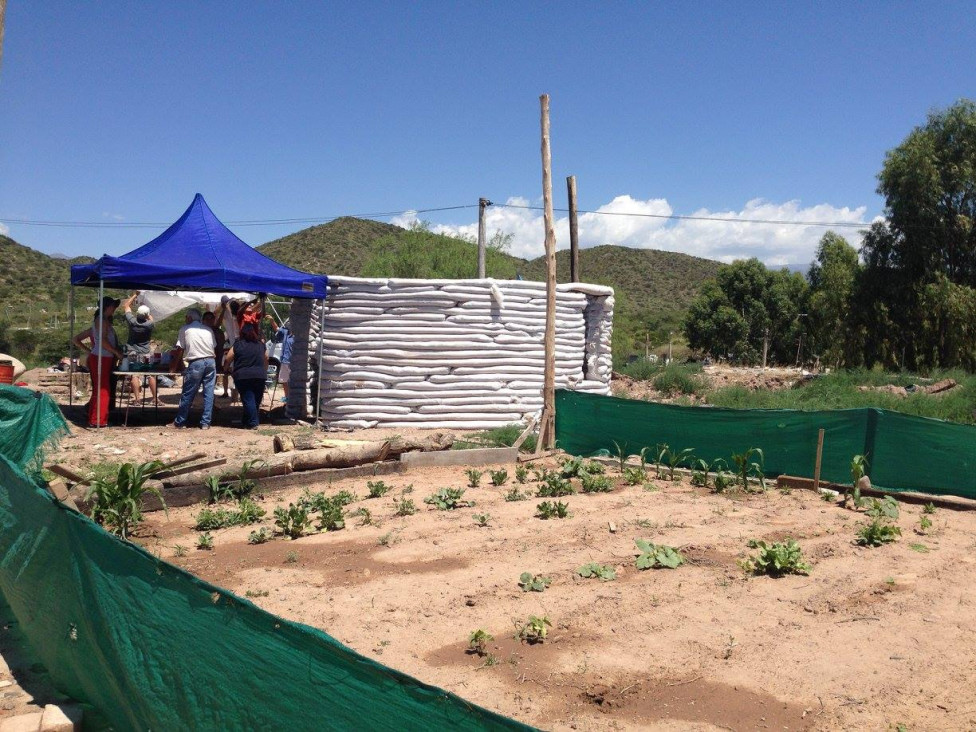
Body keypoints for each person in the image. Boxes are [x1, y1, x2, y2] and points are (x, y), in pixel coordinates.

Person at [71, 296, 123, 428]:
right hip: (102, 357)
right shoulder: (101, 321)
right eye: (113, 306)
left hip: (100, 356)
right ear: (107, 307)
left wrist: (90, 351)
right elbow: (103, 341)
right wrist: (116, 352)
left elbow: (77, 339)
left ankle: (95, 418)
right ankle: (98, 420)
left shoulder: (101, 321)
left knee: (100, 389)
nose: (114, 309)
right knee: (103, 389)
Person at [169, 308, 217, 430]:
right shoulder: (208, 329)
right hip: (211, 361)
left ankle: (180, 421)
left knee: (188, 393)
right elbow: (214, 346)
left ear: (189, 318)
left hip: (196, 362)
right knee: (209, 393)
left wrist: (173, 368)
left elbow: (180, 350)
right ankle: (206, 422)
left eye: (186, 317)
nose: (185, 319)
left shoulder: (185, 329)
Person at [223, 322, 268, 429]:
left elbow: (228, 358)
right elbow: (266, 358)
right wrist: (264, 370)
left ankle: (253, 423)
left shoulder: (238, 344)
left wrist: (226, 369)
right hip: (259, 375)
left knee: (248, 399)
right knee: (255, 400)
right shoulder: (261, 345)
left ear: (241, 333)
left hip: (243, 375)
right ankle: (246, 421)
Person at [121, 292, 157, 403]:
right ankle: (155, 398)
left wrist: (135, 295)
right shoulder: (150, 325)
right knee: (151, 375)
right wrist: (145, 308)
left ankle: (137, 399)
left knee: (135, 375)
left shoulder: (132, 322)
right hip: (146, 352)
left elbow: (126, 306)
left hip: (133, 352)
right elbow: (150, 317)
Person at [214, 296, 239, 401]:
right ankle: (227, 392)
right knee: (226, 370)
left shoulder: (237, 315)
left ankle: (235, 393)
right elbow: (215, 313)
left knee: (234, 370)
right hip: (232, 344)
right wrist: (223, 307)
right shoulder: (226, 314)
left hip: (237, 344)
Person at [266, 315, 294, 404]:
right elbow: (277, 329)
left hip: (293, 362)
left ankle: (293, 398)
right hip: (284, 361)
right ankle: (287, 397)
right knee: (284, 380)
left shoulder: (298, 335)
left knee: (293, 381)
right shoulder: (285, 332)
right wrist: (272, 320)